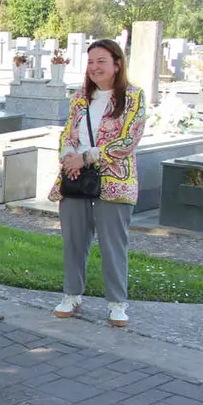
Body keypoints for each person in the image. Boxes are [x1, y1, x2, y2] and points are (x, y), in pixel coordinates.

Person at [49, 39, 146, 327]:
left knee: (113, 243)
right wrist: (69, 157)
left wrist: (87, 157)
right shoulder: (80, 97)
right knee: (74, 241)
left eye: (101, 61)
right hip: (76, 179)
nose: (94, 68)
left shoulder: (132, 97)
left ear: (117, 64)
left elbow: (127, 141)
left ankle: (117, 303)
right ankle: (72, 295)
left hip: (114, 181)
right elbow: (68, 133)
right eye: (90, 62)